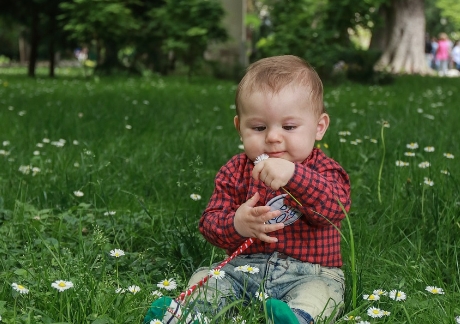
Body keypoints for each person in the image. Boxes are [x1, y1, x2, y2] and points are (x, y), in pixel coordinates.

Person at [144, 55, 351, 324]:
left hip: (310, 272)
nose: (273, 137)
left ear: (319, 127)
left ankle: (296, 319)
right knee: (209, 278)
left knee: (322, 294)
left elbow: (334, 209)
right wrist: (236, 224)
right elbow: (210, 222)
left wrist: (295, 176)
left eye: (289, 127)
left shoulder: (324, 169)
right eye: (258, 127)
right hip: (245, 268)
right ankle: (187, 315)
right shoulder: (235, 171)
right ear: (239, 128)